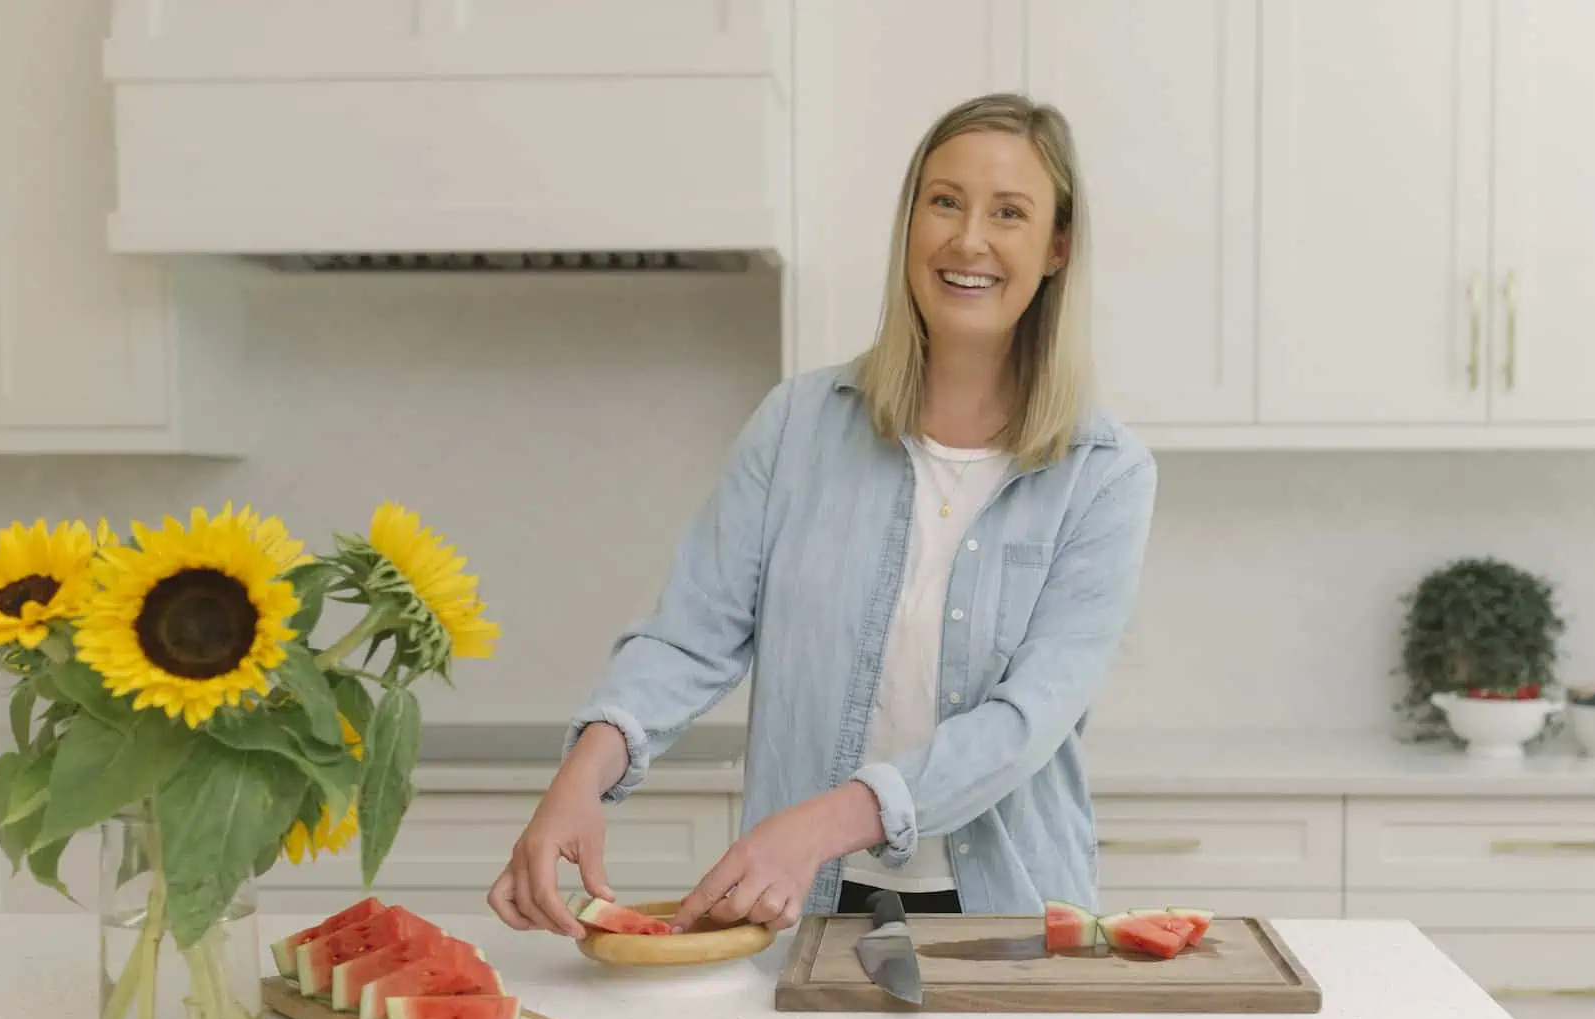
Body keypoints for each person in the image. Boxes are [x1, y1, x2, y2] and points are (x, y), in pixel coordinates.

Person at [486, 91, 1156, 940]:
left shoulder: (1102, 473)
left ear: (1057, 246)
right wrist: (581, 775)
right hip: (807, 913)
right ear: (910, 221)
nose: (968, 239)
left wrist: (821, 821)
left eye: (1010, 213)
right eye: (944, 201)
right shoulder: (797, 423)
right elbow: (693, 634)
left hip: (1013, 922)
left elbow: (1025, 723)